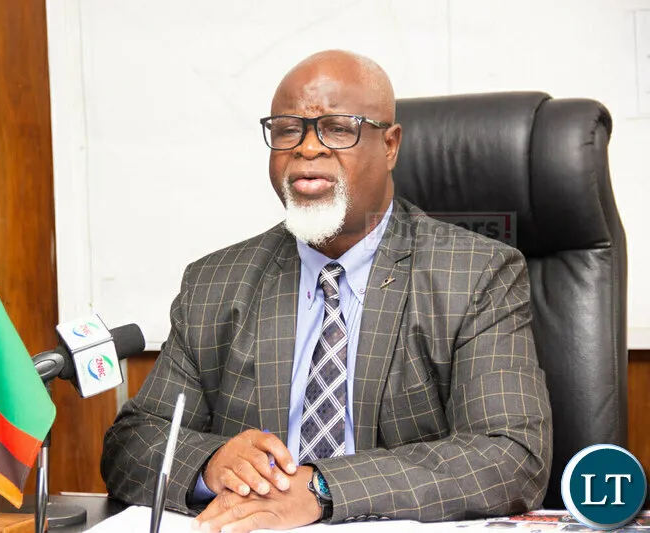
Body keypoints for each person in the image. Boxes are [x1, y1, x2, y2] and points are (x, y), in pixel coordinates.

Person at [100, 50, 552, 532]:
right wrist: (211, 464)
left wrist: (322, 487)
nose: (307, 148)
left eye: (337, 128)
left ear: (390, 145)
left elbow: (509, 456)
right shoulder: (214, 283)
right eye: (287, 130)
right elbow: (134, 443)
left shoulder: (474, 273)